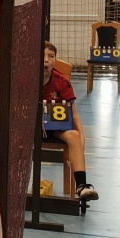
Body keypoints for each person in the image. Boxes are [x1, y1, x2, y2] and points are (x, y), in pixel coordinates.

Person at [42, 41, 98, 203]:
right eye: (43, 56)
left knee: (73, 136)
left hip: (55, 129)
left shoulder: (62, 82)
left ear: (55, 60)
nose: (46, 60)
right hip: (30, 128)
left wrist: (82, 136)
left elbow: (74, 115)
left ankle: (81, 186)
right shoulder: (25, 79)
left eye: (51, 56)